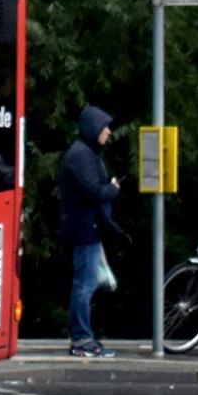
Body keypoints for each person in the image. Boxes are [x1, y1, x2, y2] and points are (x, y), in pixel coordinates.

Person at [57, 104, 120, 358]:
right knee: (85, 284)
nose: (108, 132)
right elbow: (93, 191)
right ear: (93, 127)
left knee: (88, 282)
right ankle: (82, 338)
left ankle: (84, 336)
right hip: (84, 228)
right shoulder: (81, 155)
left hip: (87, 227)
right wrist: (113, 189)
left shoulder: (86, 152)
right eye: (105, 127)